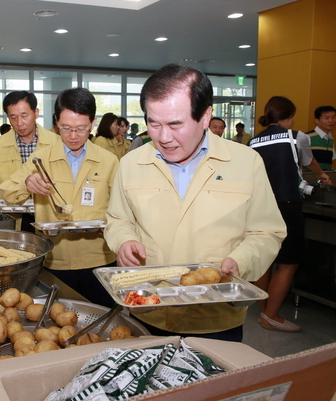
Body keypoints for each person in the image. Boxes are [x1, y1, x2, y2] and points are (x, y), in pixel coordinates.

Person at [105, 63, 286, 341]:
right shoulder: (131, 164)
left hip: (215, 319)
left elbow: (267, 231)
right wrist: (124, 240)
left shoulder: (245, 162)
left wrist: (242, 260)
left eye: (175, 124)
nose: (164, 137)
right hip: (148, 311)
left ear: (205, 116)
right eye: (154, 123)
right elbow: (118, 219)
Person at [0, 88, 118, 307]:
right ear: (56, 122)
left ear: (92, 122)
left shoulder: (109, 160)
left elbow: (121, 208)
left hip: (99, 261)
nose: (73, 136)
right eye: (66, 128)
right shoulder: (41, 158)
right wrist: (27, 183)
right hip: (56, 261)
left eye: (81, 129)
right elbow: (6, 190)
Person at [249, 97, 331, 333]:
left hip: (260, 207)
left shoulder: (254, 141)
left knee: (265, 262)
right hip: (286, 205)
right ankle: (272, 315)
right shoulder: (297, 137)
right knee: (288, 263)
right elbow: (308, 160)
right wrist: (322, 175)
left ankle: (264, 309)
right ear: (289, 116)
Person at [0, 91, 59, 208]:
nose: (19, 123)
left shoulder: (56, 143)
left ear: (36, 113)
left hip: (47, 210)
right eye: (13, 117)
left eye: (24, 116)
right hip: (12, 211)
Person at [306, 105, 336, 170]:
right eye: (326, 118)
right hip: (310, 177)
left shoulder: (330, 139)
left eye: (333, 117)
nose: (331, 121)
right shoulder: (307, 137)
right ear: (317, 120)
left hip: (326, 178)